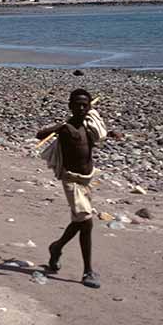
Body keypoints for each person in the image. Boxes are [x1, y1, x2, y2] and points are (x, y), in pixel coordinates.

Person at [36, 88, 106, 288]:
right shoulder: (66, 129)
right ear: (70, 106)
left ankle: (56, 247)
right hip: (71, 180)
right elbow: (39, 135)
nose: (81, 108)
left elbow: (100, 134)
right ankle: (88, 271)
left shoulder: (89, 125)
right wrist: (57, 127)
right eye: (77, 104)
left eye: (85, 105)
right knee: (86, 221)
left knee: (80, 221)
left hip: (87, 179)